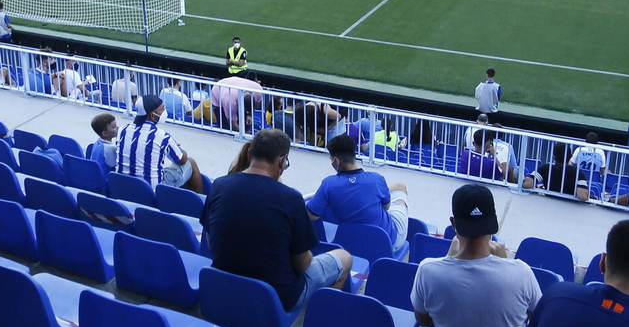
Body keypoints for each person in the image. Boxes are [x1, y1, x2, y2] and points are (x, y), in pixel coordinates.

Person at [202, 129, 352, 311]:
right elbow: (303, 264)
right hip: (278, 298)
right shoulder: (290, 198)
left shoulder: (218, 185)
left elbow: (211, 243)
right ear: (282, 161)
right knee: (344, 258)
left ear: (249, 154)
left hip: (226, 285)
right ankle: (318, 319)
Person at [411, 183, 541, 327]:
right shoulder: (521, 273)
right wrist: (505, 263)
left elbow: (423, 320)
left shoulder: (427, 271)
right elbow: (537, 320)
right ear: (494, 223)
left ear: (453, 223)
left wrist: (447, 258)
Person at [307, 133, 410, 254]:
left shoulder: (328, 185)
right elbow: (387, 207)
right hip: (387, 242)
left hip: (348, 243)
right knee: (400, 188)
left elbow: (311, 215)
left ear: (336, 161)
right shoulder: (376, 179)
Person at [114, 95, 205, 193]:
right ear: (152, 116)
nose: (164, 112)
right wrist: (179, 148)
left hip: (122, 187)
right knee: (191, 163)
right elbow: (182, 160)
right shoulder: (161, 136)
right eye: (162, 109)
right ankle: (200, 202)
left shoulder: (122, 130)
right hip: (151, 192)